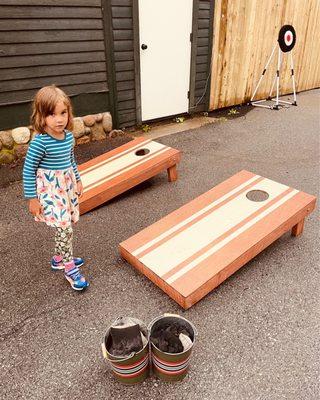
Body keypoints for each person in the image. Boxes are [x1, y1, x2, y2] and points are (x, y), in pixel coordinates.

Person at [23, 85, 89, 291]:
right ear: (41, 117)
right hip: (51, 193)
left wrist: (78, 179)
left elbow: (71, 160)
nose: (59, 119)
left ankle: (59, 258)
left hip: (67, 188)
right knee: (65, 229)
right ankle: (69, 269)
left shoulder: (68, 137)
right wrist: (32, 198)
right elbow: (28, 170)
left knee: (65, 224)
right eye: (52, 114)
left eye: (63, 113)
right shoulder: (40, 143)